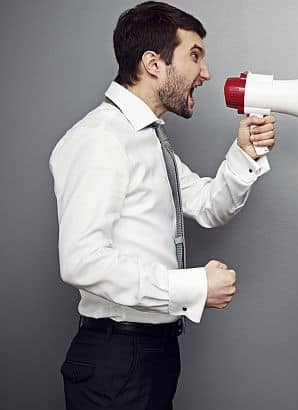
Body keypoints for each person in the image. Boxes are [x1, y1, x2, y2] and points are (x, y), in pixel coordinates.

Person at [49, 2, 276, 409]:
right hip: (116, 358)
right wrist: (194, 286)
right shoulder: (101, 139)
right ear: (153, 63)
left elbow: (209, 206)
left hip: (151, 354)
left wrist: (245, 152)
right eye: (195, 56)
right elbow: (81, 261)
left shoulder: (149, 139)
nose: (205, 73)